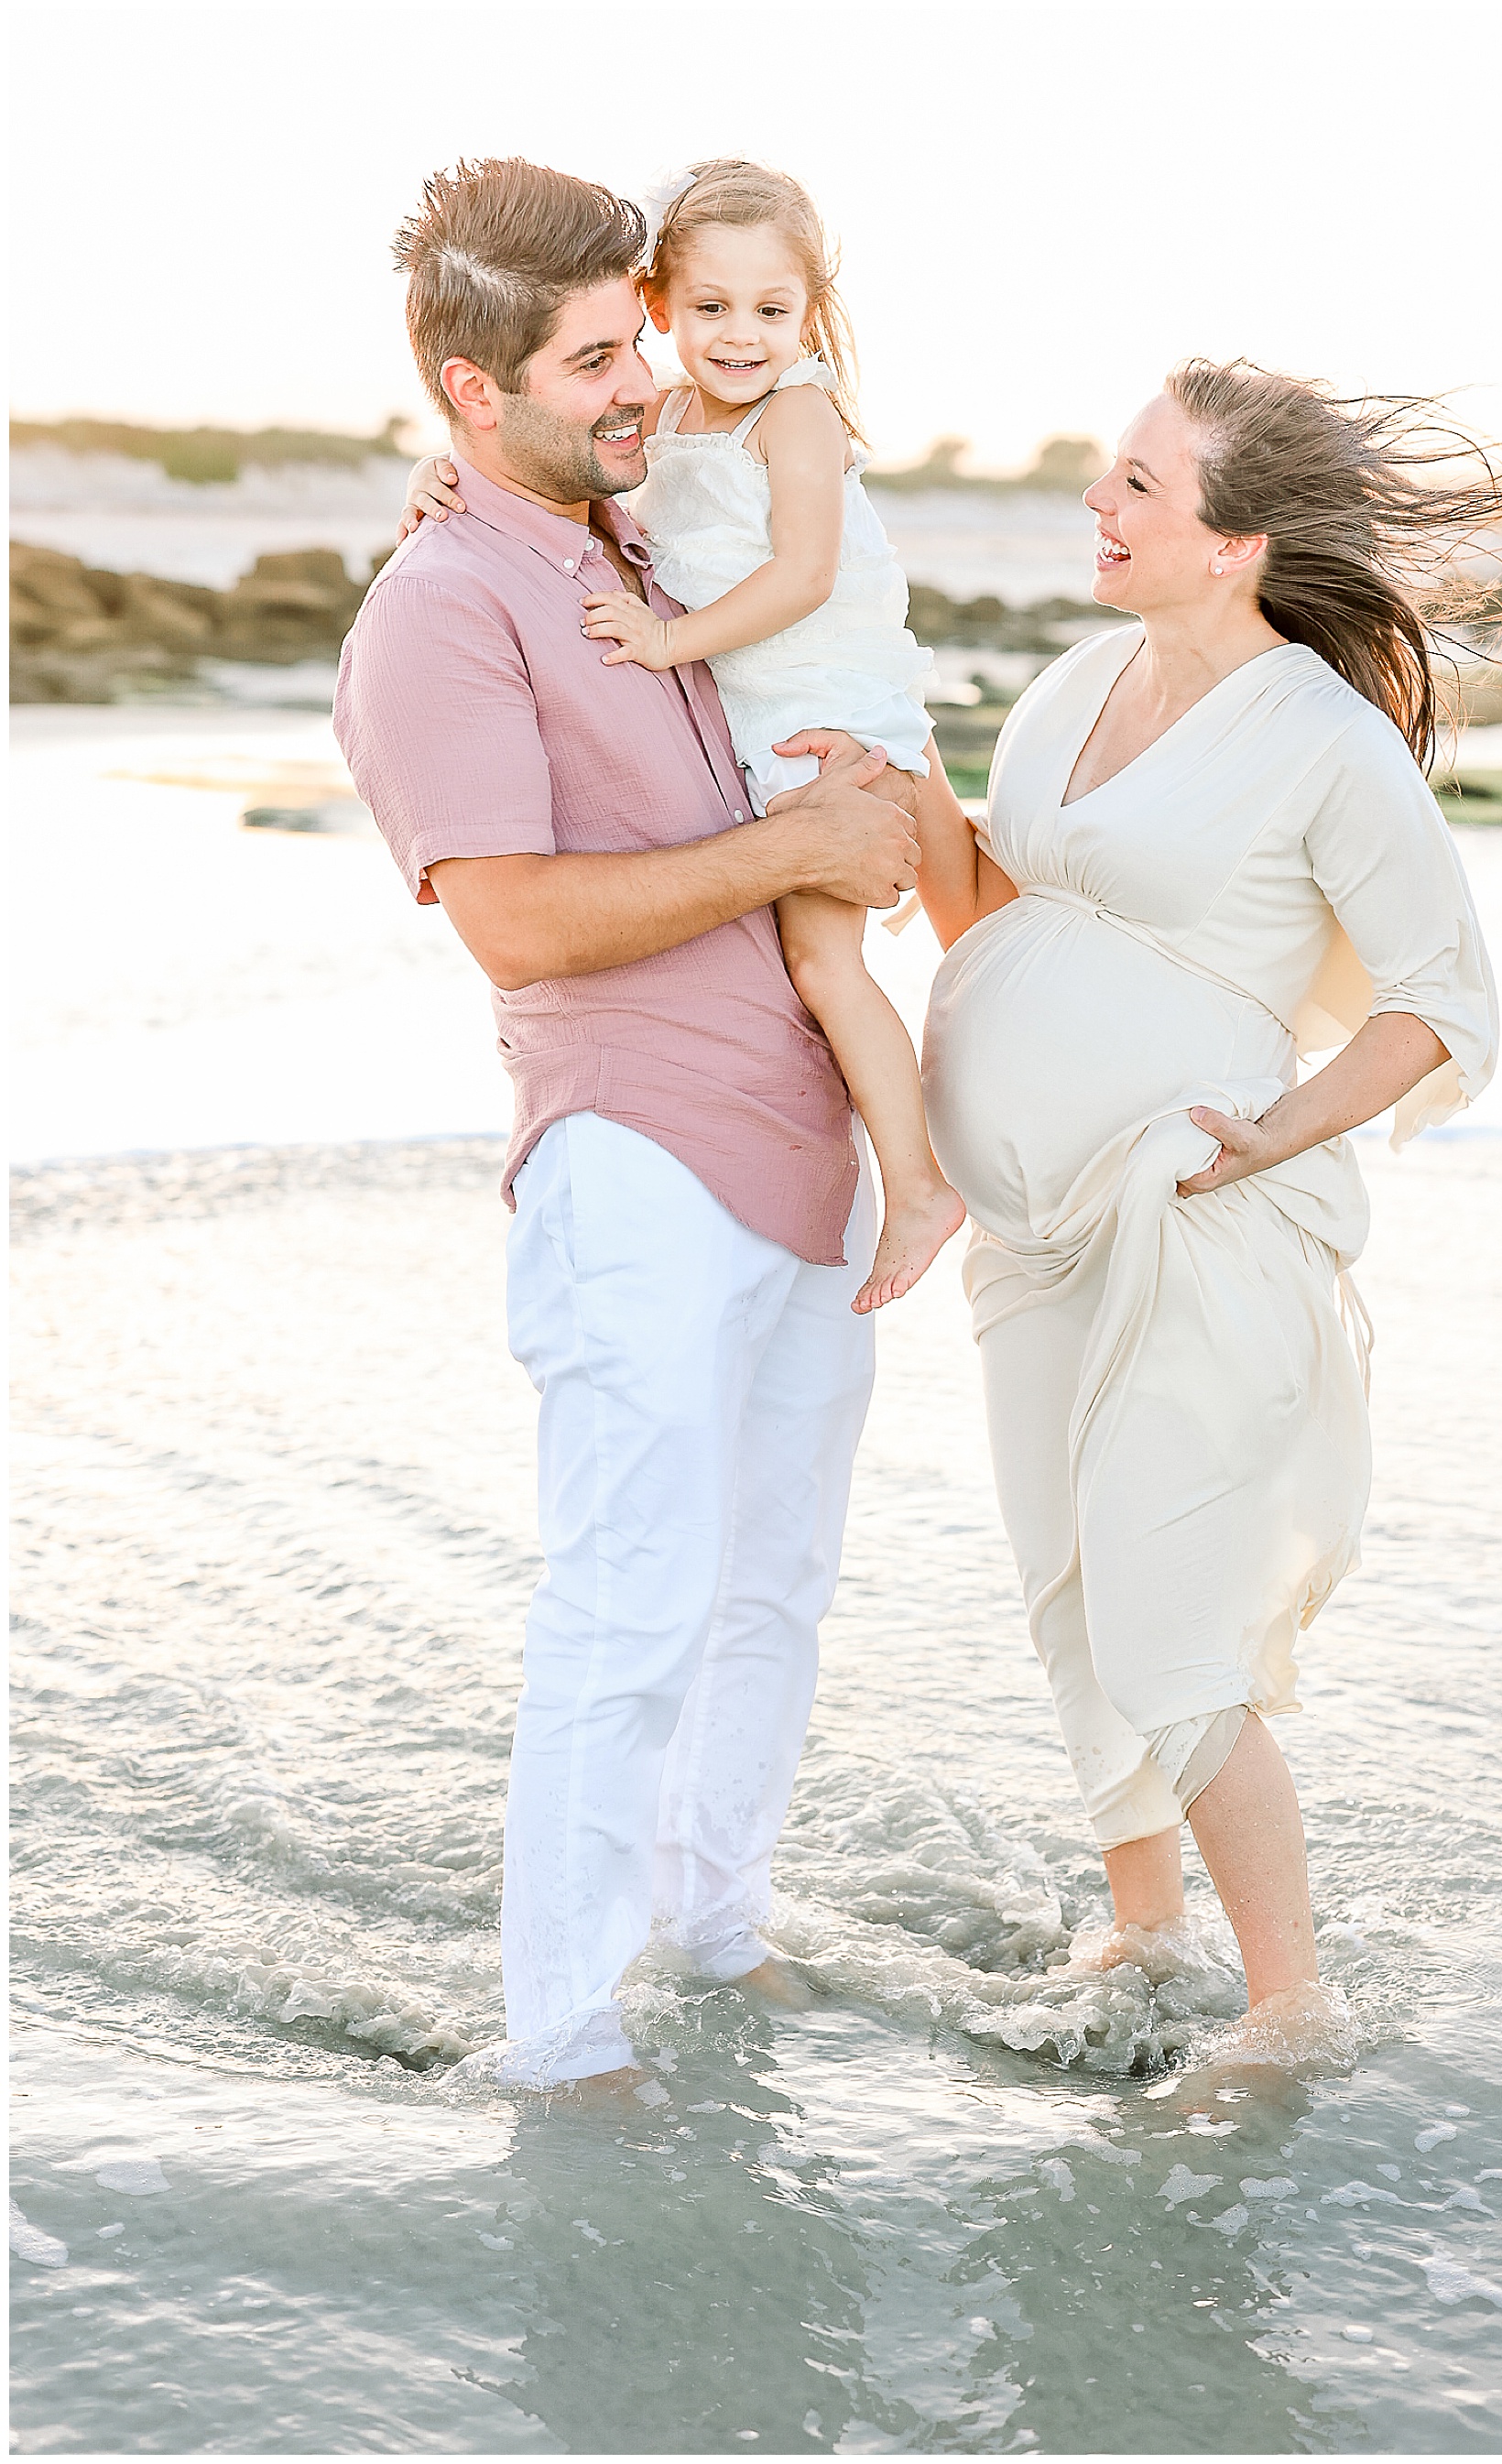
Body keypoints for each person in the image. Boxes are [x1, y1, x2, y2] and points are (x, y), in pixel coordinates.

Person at [790, 361, 1502, 2052]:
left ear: (1237, 542)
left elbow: (1444, 1005)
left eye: (1139, 483)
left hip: (1197, 1228)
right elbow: (989, 907)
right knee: (1065, 1590)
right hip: (1034, 1237)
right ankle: (1144, 1936)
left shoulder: (1328, 743)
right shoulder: (1072, 682)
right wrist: (906, 791)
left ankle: (1291, 2012)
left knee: (1170, 1621)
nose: (1098, 502)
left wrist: (1277, 1131)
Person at [333, 157, 928, 2090]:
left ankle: (721, 1927)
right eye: (594, 361)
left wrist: (858, 802)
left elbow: (801, 660)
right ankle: (562, 2038)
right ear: (467, 388)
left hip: (804, 1147)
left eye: (639, 342)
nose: (643, 386)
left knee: (773, 1590)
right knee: (633, 1601)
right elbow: (511, 915)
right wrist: (796, 843)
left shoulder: (648, 543)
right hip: (636, 1158)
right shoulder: (439, 606)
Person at [399, 158, 963, 1316]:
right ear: (662, 300)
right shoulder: (651, 433)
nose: (735, 337)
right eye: (706, 310)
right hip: (650, 1145)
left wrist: (668, 645)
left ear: (811, 312)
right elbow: (550, 463)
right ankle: (918, 1166)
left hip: (820, 706)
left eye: (772, 310)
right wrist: (440, 468)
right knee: (832, 948)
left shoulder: (790, 417)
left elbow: (806, 573)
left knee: (831, 960)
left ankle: (920, 1179)